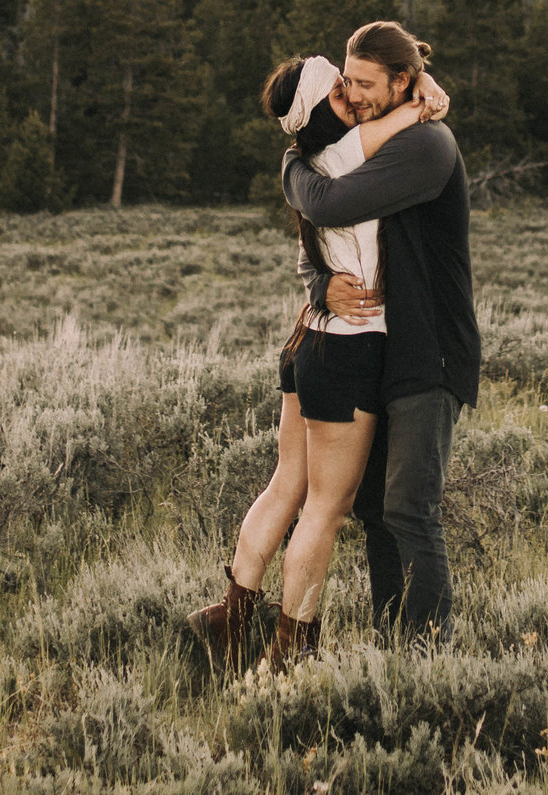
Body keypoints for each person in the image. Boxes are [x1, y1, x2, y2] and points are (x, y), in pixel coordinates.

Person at [186, 51, 446, 672]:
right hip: (352, 344)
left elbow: (390, 90)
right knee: (326, 509)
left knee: (286, 485)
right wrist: (425, 90)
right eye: (337, 95)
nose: (351, 98)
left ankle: (229, 616)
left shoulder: (311, 160)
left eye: (349, 87)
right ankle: (291, 649)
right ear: (317, 119)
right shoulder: (347, 151)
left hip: (308, 337)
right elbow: (411, 105)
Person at [282, 21, 475, 640]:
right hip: (388, 347)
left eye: (367, 85)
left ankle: (425, 658)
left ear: (403, 82)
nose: (356, 95)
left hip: (431, 351)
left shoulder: (426, 146)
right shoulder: (382, 130)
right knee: (374, 511)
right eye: (348, 83)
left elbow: (332, 205)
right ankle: (392, 643)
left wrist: (291, 166)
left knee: (408, 509)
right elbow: (331, 239)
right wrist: (320, 286)